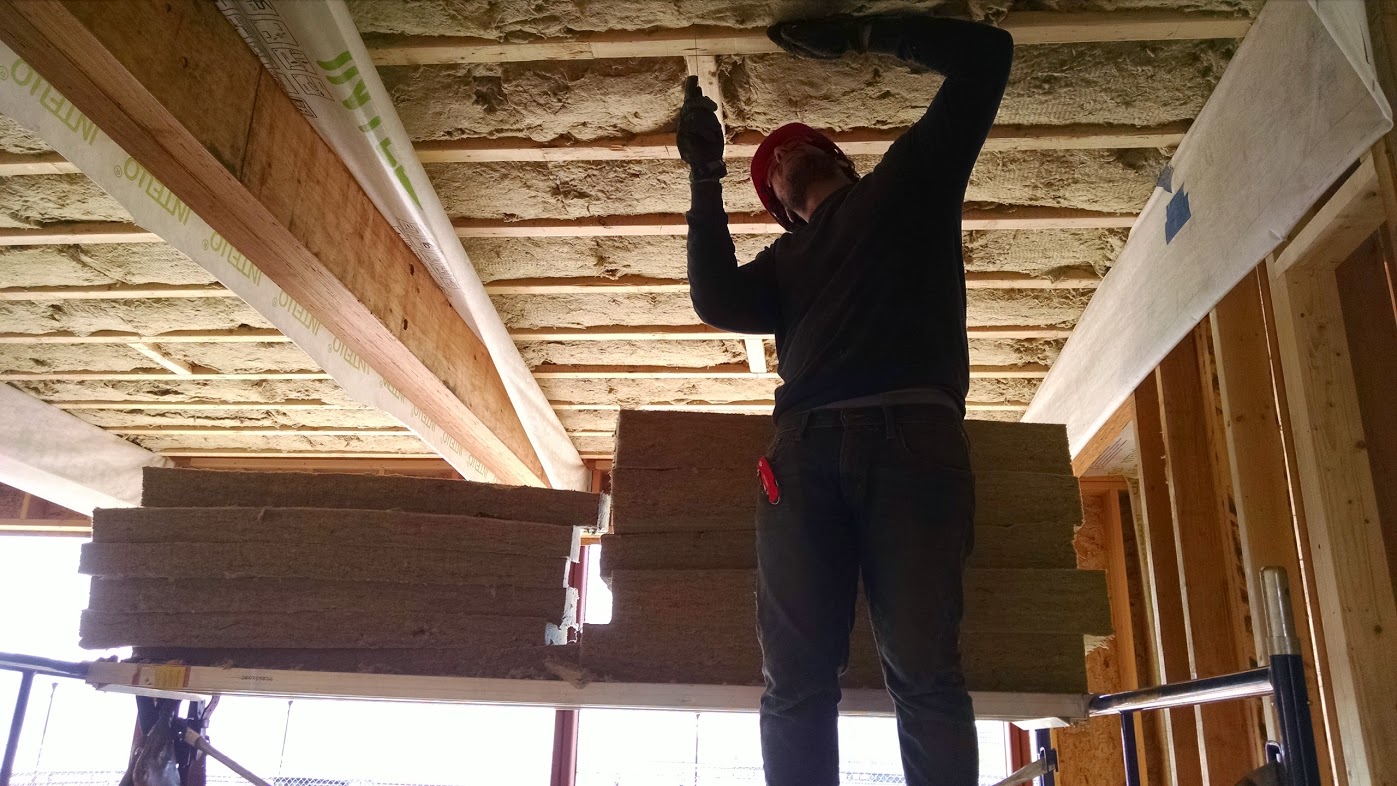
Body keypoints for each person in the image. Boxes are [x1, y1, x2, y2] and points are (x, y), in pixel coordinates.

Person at [677, 15, 1014, 786]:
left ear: (837, 157)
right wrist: (703, 179)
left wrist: (861, 33)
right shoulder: (783, 266)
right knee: (794, 683)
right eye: (769, 170)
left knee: (924, 673)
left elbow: (985, 56)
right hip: (804, 459)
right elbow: (714, 298)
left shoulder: (909, 186)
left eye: (795, 145)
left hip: (914, 443)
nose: (782, 157)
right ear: (778, 209)